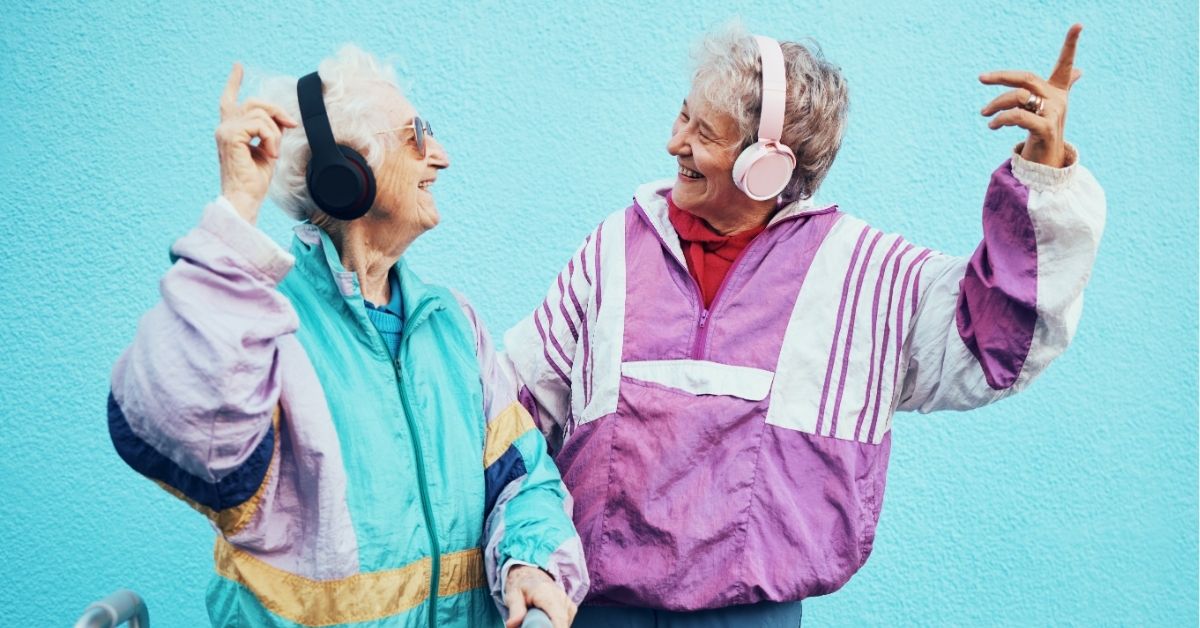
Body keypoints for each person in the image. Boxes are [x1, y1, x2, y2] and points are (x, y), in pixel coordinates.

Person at [503, 22, 1104, 627]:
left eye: (703, 132)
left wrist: (1042, 173)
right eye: (683, 116)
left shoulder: (864, 273)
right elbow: (517, 414)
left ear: (765, 166)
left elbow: (996, 340)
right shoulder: (613, 249)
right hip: (593, 612)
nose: (674, 143)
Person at [107, 46, 586, 627]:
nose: (441, 156)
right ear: (346, 172)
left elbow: (523, 478)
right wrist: (236, 211)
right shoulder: (265, 326)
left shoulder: (455, 326)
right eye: (416, 135)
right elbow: (176, 418)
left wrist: (527, 565)